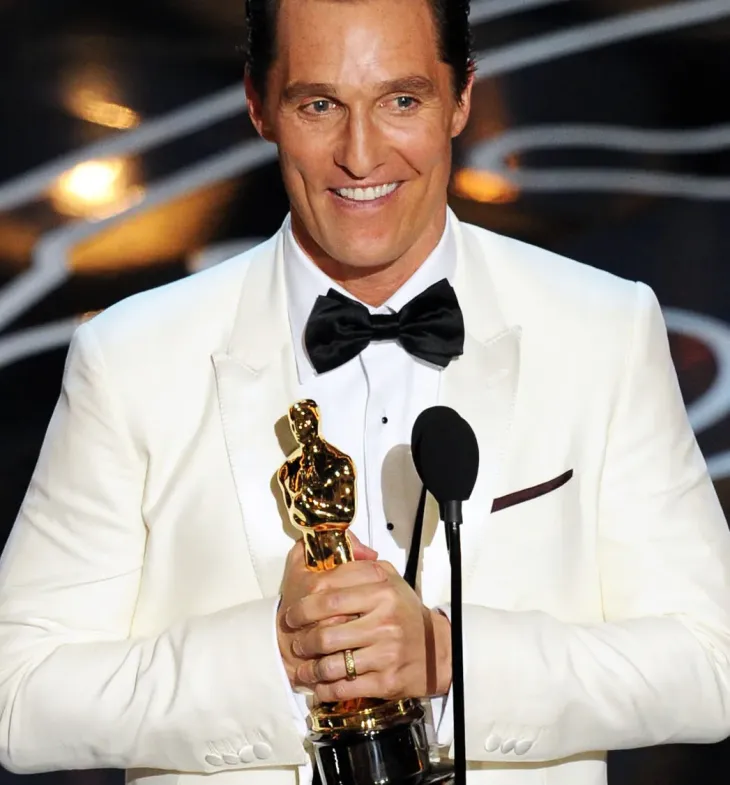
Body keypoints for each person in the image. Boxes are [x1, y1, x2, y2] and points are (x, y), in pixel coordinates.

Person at [0, 0, 729, 784]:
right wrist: (279, 657)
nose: (361, 154)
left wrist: (447, 655)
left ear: (462, 98)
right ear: (258, 105)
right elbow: (16, 695)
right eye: (319, 105)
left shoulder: (602, 329)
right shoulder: (132, 357)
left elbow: (712, 663)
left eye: (401, 100)